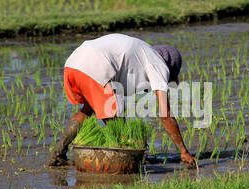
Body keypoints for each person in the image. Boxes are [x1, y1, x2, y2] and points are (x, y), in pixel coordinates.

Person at [48, 33, 196, 168]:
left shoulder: (144, 53)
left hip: (73, 63)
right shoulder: (159, 64)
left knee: (87, 110)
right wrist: (183, 151)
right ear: (170, 67)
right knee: (119, 126)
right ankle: (122, 163)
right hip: (96, 65)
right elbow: (165, 114)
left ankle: (58, 153)